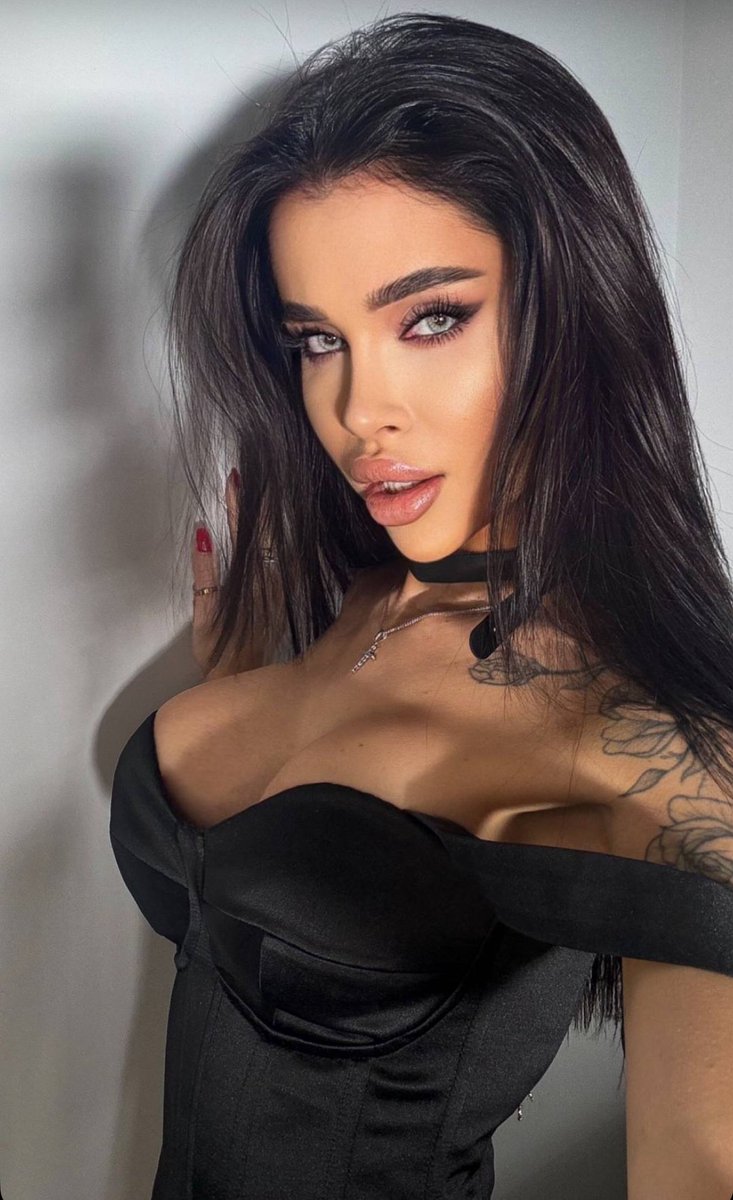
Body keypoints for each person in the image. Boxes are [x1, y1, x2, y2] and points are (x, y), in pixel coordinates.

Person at [109, 13, 733, 1198]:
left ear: (578, 316)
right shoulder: (348, 606)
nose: (358, 412)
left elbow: (700, 1157)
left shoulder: (641, 737)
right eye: (315, 341)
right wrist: (253, 690)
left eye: (430, 317)